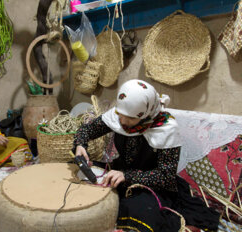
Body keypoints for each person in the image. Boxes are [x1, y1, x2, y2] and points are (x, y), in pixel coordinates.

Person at [73, 79, 220, 232]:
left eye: (130, 118)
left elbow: (165, 177)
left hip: (150, 184)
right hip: (119, 171)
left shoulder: (165, 129)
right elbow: (87, 130)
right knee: (79, 171)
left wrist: (127, 176)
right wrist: (80, 145)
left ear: (146, 114)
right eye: (121, 115)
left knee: (140, 210)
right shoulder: (120, 116)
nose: (122, 121)